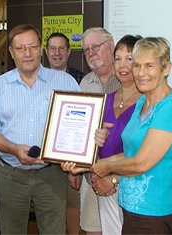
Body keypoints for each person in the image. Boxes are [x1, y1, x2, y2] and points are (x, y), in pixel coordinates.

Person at [0, 24, 80, 234]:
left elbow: (79, 125)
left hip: (53, 175)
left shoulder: (65, 82)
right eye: (20, 49)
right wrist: (13, 149)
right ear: (11, 52)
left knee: (54, 231)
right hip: (11, 175)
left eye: (32, 47)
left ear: (41, 49)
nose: (27, 53)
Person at [89, 37, 172, 234]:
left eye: (149, 66)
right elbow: (130, 152)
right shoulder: (143, 101)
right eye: (137, 65)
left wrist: (105, 167)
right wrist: (90, 163)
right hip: (131, 207)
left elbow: (141, 163)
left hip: (153, 211)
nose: (141, 73)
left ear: (166, 68)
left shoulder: (171, 107)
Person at [90, 34, 142, 234]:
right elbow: (96, 142)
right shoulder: (106, 99)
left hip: (132, 183)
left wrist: (114, 179)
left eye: (129, 59)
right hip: (103, 183)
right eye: (118, 58)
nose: (122, 65)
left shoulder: (148, 102)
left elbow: (145, 152)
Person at [74, 27, 122, 235]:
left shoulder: (127, 80)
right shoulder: (85, 83)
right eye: (86, 50)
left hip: (120, 177)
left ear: (110, 46)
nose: (91, 53)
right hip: (90, 176)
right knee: (91, 229)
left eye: (95, 47)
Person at [45, 32, 84, 234]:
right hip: (45, 164)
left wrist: (73, 167)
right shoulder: (37, 80)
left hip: (70, 161)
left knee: (72, 207)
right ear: (46, 51)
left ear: (69, 51)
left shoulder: (81, 80)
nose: (57, 53)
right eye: (52, 48)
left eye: (62, 48)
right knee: (51, 213)